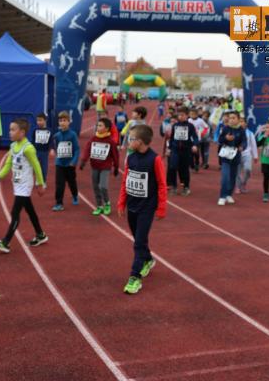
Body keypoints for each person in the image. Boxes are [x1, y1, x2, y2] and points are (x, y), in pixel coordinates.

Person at [118, 124, 167, 294]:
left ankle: (134, 277)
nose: (128, 142)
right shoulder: (130, 158)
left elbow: (162, 184)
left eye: (131, 139)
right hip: (132, 205)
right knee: (139, 239)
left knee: (138, 242)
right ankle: (148, 259)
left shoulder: (155, 159)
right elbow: (125, 181)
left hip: (147, 207)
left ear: (140, 141)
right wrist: (121, 203)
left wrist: (161, 208)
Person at [0, 119, 48, 253]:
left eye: (13, 129)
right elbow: (8, 164)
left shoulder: (28, 148)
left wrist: (40, 184)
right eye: (10, 129)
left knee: (15, 213)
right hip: (17, 183)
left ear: (22, 132)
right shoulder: (13, 146)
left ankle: (5, 242)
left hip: (25, 185)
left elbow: (37, 166)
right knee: (30, 211)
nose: (10, 132)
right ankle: (40, 234)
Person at [79, 117, 120, 216]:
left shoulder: (110, 142)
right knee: (95, 186)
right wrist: (83, 161)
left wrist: (116, 168)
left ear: (107, 129)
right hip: (95, 166)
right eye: (97, 125)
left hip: (105, 167)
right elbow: (87, 150)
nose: (97, 127)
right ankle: (99, 206)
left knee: (103, 186)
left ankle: (107, 204)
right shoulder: (93, 139)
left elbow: (115, 156)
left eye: (100, 125)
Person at [51, 111, 80, 211]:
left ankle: (75, 195)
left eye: (64, 120)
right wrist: (52, 150)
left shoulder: (72, 135)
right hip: (59, 163)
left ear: (69, 122)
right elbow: (55, 146)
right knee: (59, 183)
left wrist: (74, 161)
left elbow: (77, 149)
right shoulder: (57, 135)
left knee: (71, 182)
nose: (62, 123)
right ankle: (59, 203)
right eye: (60, 121)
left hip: (70, 164)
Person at [166, 106, 198, 196]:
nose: (180, 117)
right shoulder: (175, 126)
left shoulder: (190, 126)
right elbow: (172, 138)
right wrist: (169, 148)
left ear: (187, 116)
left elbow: (195, 137)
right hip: (175, 150)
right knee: (172, 167)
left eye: (182, 115)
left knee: (184, 169)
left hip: (186, 151)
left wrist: (195, 145)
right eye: (179, 115)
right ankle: (174, 187)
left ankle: (186, 187)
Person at [217, 111, 246, 206]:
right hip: (225, 156)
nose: (231, 120)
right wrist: (226, 138)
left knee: (233, 177)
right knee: (225, 176)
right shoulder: (225, 128)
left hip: (236, 156)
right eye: (230, 118)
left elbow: (244, 141)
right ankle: (222, 196)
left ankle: (229, 194)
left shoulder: (241, 130)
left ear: (238, 119)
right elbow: (220, 140)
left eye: (234, 118)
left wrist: (242, 146)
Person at [236, 117, 258, 194]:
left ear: (245, 123)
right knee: (237, 172)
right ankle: (238, 186)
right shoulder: (235, 132)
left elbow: (253, 145)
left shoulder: (250, 133)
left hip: (247, 154)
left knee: (248, 169)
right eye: (239, 121)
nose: (241, 123)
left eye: (242, 122)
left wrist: (255, 156)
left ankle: (243, 182)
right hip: (237, 155)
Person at [188, 108, 209, 173]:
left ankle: (197, 163)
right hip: (189, 139)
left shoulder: (201, 121)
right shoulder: (189, 120)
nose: (192, 115)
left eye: (194, 114)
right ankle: (192, 165)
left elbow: (206, 127)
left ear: (197, 114)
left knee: (196, 153)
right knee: (190, 154)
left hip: (197, 139)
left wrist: (202, 133)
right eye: (191, 114)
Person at [34, 113, 52, 183]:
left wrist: (52, 149)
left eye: (40, 120)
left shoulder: (49, 131)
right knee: (35, 167)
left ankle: (43, 181)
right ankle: (38, 179)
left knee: (44, 168)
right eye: (37, 120)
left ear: (45, 121)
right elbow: (33, 140)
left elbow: (51, 141)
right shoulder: (35, 130)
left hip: (45, 152)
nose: (39, 122)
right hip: (36, 152)